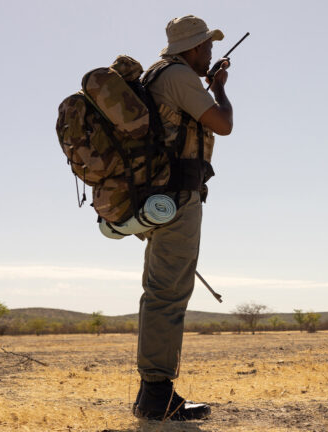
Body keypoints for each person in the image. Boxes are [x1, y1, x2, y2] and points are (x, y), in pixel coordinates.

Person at [132, 15, 234, 421]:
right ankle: (157, 397)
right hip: (176, 197)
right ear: (191, 48)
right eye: (206, 46)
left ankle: (151, 395)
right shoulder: (178, 76)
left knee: (160, 290)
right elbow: (223, 125)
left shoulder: (161, 75)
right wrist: (221, 91)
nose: (210, 52)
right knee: (168, 294)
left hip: (161, 197)